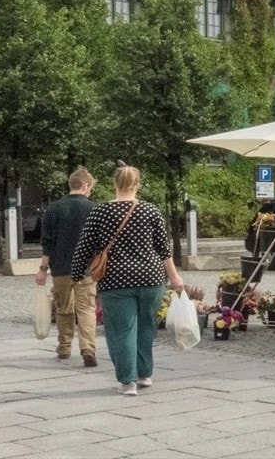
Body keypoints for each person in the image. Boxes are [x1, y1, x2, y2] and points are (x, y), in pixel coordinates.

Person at [69, 164, 185, 397]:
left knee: (121, 330)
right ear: (137, 185)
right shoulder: (150, 211)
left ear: (114, 184)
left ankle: (127, 381)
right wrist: (174, 277)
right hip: (151, 279)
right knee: (145, 326)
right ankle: (144, 374)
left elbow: (84, 248)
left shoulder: (100, 212)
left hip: (115, 281)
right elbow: (164, 249)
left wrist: (76, 275)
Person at [36, 167, 99, 367]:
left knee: (63, 308)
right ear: (86, 185)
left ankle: (64, 347)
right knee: (87, 309)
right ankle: (88, 348)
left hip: (60, 268)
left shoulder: (53, 208)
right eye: (91, 187)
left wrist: (42, 269)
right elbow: (99, 242)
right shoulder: (93, 208)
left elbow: (47, 242)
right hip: (86, 269)